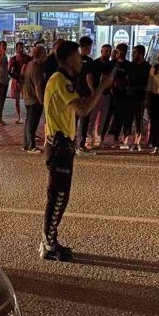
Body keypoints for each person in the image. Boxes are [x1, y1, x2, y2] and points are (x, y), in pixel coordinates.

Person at [39, 40, 116, 262]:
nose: (80, 59)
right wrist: (102, 86)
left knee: (60, 198)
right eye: (76, 56)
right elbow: (82, 109)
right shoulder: (60, 81)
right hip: (59, 147)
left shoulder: (65, 80)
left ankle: (50, 240)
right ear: (65, 60)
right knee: (57, 197)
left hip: (64, 146)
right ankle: (48, 244)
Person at [123, 45, 151, 152]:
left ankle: (136, 142)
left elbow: (148, 82)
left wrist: (146, 96)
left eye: (135, 53)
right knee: (128, 118)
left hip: (140, 97)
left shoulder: (147, 67)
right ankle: (125, 140)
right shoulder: (130, 65)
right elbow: (126, 79)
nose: (133, 55)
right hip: (129, 95)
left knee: (138, 119)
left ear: (140, 54)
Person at [21, 44, 47, 153]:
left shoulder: (29, 64)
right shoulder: (36, 68)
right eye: (44, 54)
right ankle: (31, 146)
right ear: (40, 55)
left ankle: (26, 144)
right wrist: (42, 101)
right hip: (33, 99)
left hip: (27, 96)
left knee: (28, 122)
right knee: (32, 123)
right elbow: (37, 87)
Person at [88, 44, 115, 149]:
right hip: (96, 94)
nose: (108, 53)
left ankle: (98, 138)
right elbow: (89, 77)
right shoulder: (94, 64)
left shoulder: (111, 65)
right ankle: (89, 138)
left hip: (106, 94)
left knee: (102, 118)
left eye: (109, 51)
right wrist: (92, 90)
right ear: (101, 51)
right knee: (92, 117)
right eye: (106, 51)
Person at [73, 36, 96, 155]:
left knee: (73, 120)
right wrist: (93, 91)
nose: (90, 49)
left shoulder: (73, 59)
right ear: (86, 47)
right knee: (84, 120)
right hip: (85, 95)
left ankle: (71, 144)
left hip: (74, 94)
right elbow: (89, 77)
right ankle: (81, 146)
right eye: (90, 47)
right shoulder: (89, 61)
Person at [108, 44, 131, 148]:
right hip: (112, 93)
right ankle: (105, 137)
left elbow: (130, 79)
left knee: (122, 117)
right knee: (109, 117)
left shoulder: (128, 65)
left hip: (124, 95)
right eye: (118, 51)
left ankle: (121, 138)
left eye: (122, 51)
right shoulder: (112, 64)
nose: (120, 53)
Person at [7, 41, 30, 125]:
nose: (21, 49)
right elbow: (9, 71)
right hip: (16, 81)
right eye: (19, 47)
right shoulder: (13, 59)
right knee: (17, 100)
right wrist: (16, 77)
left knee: (27, 99)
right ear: (16, 49)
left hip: (24, 82)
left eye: (22, 47)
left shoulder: (27, 58)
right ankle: (19, 116)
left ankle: (28, 116)